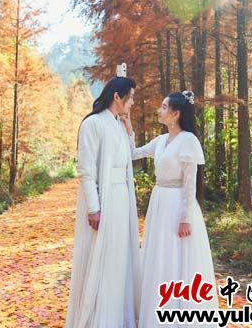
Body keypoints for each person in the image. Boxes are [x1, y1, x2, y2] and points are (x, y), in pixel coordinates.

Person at [121, 91, 219, 327]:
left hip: (178, 204)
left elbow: (189, 182)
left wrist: (186, 218)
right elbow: (134, 153)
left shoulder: (188, 141)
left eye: (164, 107)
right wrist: (128, 126)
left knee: (177, 254)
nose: (159, 110)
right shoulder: (161, 140)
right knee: (159, 254)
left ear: (176, 114)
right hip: (159, 203)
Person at [65, 64, 141, 328]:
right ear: (117, 97)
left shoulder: (118, 125)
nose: (132, 103)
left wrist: (129, 128)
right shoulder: (93, 123)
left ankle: (118, 316)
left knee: (119, 258)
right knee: (102, 258)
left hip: (121, 199)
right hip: (104, 200)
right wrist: (93, 208)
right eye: (130, 97)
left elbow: (129, 157)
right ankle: (98, 318)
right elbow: (86, 170)